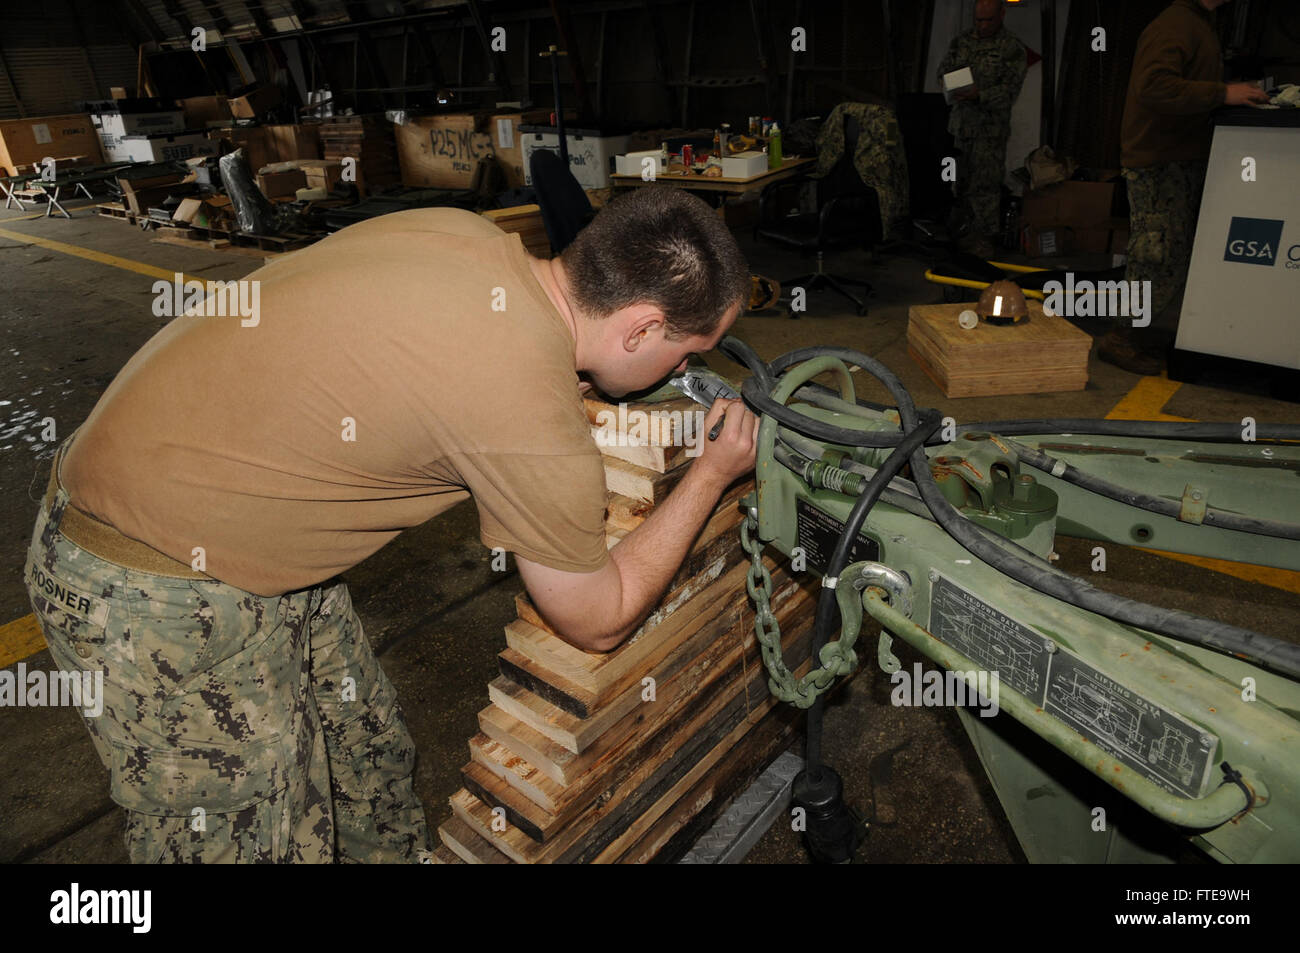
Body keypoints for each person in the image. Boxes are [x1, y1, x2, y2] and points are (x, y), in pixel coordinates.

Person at [24, 187, 758, 863]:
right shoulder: (526, 413)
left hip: (235, 517)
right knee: (241, 832)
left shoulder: (466, 235)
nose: (686, 370)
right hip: (147, 583)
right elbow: (597, 618)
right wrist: (711, 473)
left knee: (364, 759)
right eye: (687, 353)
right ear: (642, 328)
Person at [1100, 0, 1269, 375]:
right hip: (1159, 161)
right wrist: (1223, 94)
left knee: (1171, 254)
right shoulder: (1176, 25)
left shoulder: (1200, 23)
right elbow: (1153, 87)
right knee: (1155, 254)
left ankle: (1134, 331)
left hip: (1176, 158)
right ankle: (1120, 336)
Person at [938, 0, 1028, 257]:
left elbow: (1010, 91)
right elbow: (942, 72)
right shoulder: (961, 42)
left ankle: (986, 242)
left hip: (990, 131)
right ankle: (962, 238)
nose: (983, 25)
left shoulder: (1011, 48)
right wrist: (951, 86)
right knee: (960, 185)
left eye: (988, 20)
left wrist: (980, 94)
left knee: (985, 188)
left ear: (1002, 14)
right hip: (960, 129)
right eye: (979, 20)